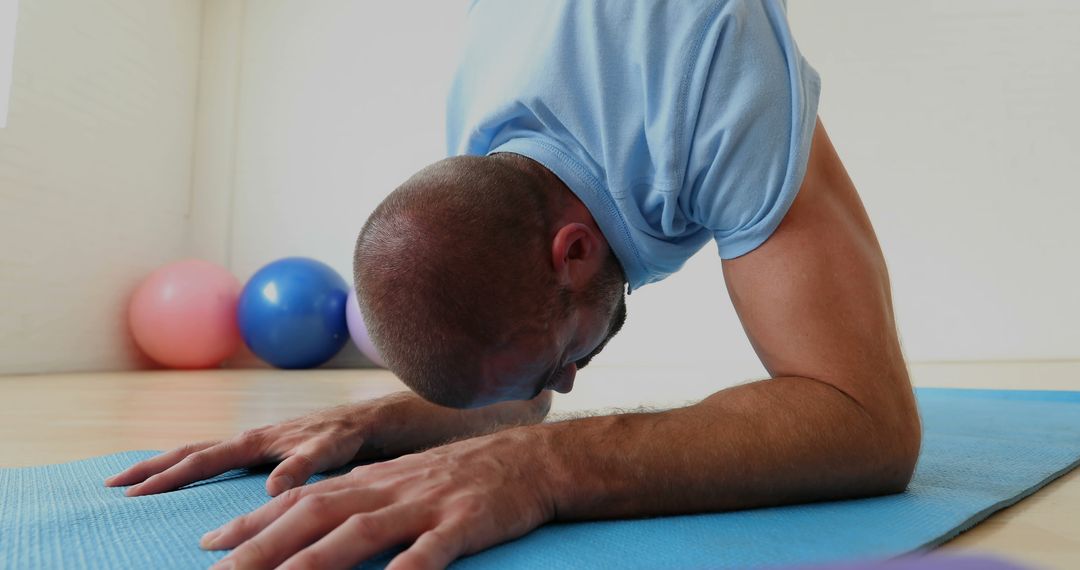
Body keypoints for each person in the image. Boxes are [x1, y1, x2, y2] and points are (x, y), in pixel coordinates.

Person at [106, 1, 921, 569]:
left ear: (572, 253)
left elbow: (865, 420)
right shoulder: (490, 129)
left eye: (552, 364)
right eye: (552, 370)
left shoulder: (712, 66)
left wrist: (537, 469)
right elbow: (526, 393)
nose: (568, 381)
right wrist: (384, 418)